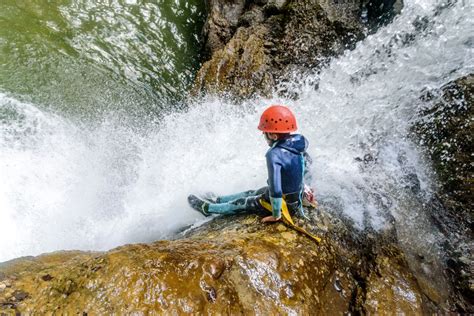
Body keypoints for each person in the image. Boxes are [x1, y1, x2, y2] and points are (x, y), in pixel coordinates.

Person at [188, 104, 314, 223]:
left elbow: (276, 189)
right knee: (253, 192)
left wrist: (276, 215)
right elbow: (306, 163)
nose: (263, 135)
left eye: (264, 133)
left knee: (243, 202)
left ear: (273, 135)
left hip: (284, 205)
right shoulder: (300, 142)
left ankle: (208, 209)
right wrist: (305, 188)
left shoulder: (274, 154)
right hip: (295, 198)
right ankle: (218, 200)